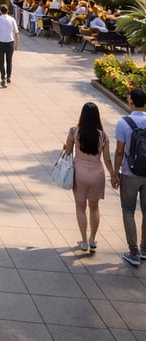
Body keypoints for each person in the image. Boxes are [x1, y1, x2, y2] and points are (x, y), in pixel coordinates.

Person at [62, 102, 115, 252]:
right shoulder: (103, 136)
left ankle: (84, 241)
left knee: (80, 207)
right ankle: (92, 238)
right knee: (94, 208)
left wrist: (65, 147)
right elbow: (107, 159)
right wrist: (113, 174)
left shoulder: (74, 131)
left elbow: (67, 151)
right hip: (97, 174)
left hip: (79, 173)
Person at [113, 87, 146, 266]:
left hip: (129, 173)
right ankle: (145, 249)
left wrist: (115, 173)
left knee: (128, 211)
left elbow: (119, 151)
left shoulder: (124, 123)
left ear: (131, 101)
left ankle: (133, 252)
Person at [0, 4, 19, 87]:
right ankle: (9, 76)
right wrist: (17, 44)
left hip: (0, 42)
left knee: (1, 61)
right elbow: (16, 33)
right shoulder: (12, 19)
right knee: (9, 61)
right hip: (10, 42)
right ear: (8, 11)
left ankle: (3, 77)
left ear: (0, 11)